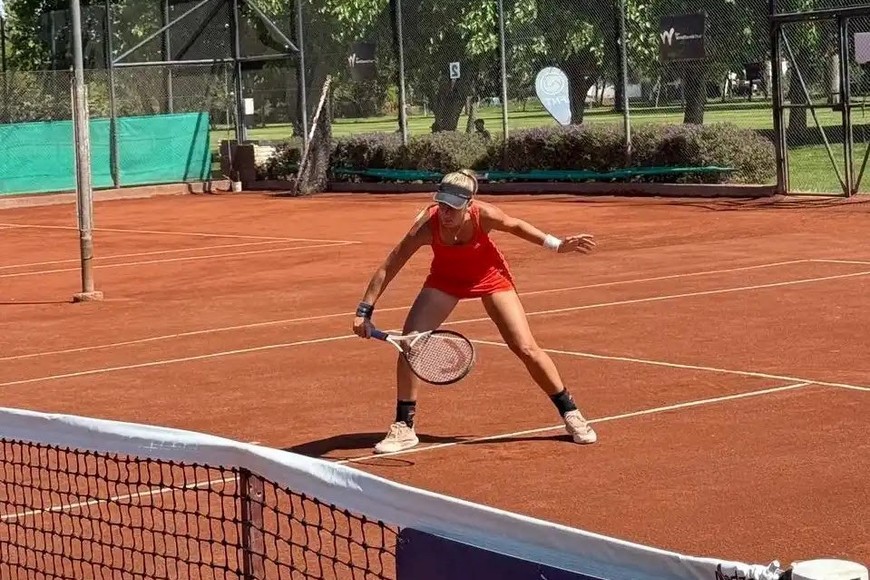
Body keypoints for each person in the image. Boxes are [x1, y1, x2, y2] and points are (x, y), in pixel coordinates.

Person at [352, 169, 598, 454]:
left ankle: (571, 413)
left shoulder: (485, 215)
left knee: (526, 348)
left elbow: (515, 225)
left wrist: (557, 245)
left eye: (453, 208)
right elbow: (389, 265)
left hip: (490, 277)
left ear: (469, 204)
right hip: (445, 281)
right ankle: (404, 427)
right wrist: (364, 310)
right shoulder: (427, 225)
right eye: (442, 205)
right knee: (411, 344)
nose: (445, 213)